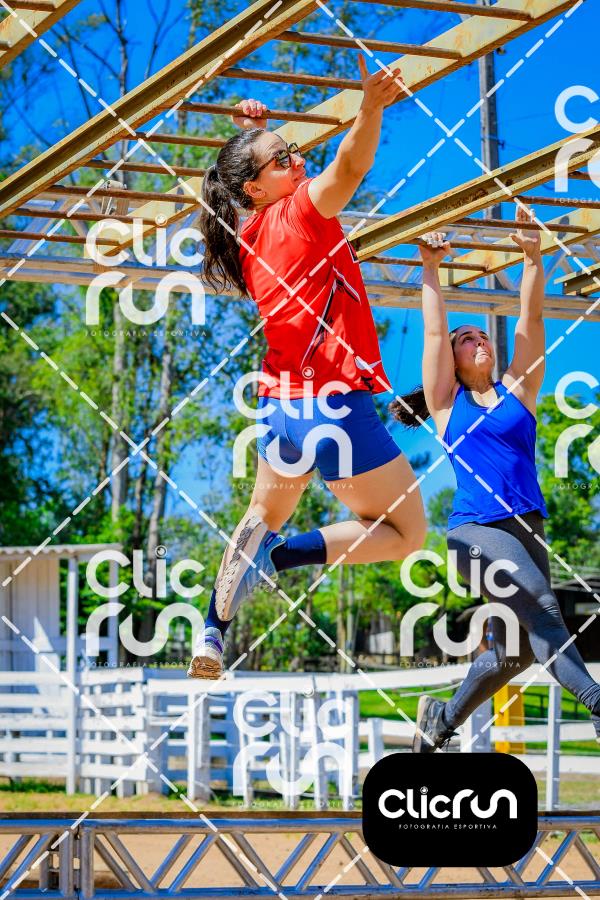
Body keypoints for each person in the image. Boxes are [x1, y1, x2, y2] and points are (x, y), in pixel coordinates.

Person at [187, 58, 427, 678]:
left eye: (292, 150)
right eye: (284, 158)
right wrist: (370, 106)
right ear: (257, 187)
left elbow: (244, 181)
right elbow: (351, 165)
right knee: (407, 533)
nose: (297, 160)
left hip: (282, 410)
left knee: (259, 514)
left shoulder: (247, 235)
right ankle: (279, 559)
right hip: (335, 409)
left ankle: (211, 633)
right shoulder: (300, 212)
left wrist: (250, 135)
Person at [391, 210, 600, 750]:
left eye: (481, 334)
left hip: (528, 528)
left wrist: (533, 258)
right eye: (466, 339)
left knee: (516, 651)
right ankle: (599, 704)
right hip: (476, 534)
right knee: (545, 606)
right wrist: (430, 269)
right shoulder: (446, 404)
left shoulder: (518, 391)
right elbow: (433, 331)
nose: (477, 339)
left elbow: (531, 322)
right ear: (454, 360)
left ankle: (441, 720)